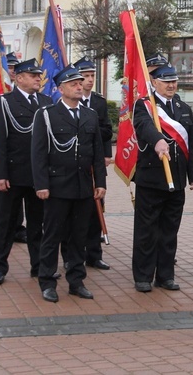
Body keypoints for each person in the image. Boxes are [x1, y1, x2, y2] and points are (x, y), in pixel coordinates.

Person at [31, 65, 106, 303]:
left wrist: (101, 183)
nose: (79, 86)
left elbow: (97, 154)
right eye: (73, 84)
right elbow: (39, 153)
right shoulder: (47, 114)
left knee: (78, 236)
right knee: (52, 235)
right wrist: (41, 184)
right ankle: (47, 281)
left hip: (83, 186)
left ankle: (76, 280)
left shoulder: (89, 115)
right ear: (60, 88)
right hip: (57, 186)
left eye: (80, 83)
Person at [132, 62, 193, 293]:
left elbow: (191, 142)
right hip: (151, 178)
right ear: (154, 83)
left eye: (174, 81)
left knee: (169, 231)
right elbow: (143, 126)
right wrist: (157, 140)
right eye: (166, 81)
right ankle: (143, 276)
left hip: (177, 179)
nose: (171, 85)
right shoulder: (144, 105)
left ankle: (165, 275)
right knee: (147, 230)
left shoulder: (182, 106)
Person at [0, 59, 53, 285]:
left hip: (39, 177)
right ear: (19, 78)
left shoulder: (46, 101)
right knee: (5, 224)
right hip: (13, 174)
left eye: (39, 75)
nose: (38, 78)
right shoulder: (5, 102)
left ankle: (38, 266)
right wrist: (0, 175)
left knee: (38, 224)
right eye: (33, 75)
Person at [70, 56, 112, 270]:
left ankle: (94, 254)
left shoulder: (98, 102)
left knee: (97, 207)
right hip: (73, 161)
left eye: (92, 75)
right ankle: (71, 253)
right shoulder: (67, 102)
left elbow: (106, 130)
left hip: (94, 160)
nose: (89, 80)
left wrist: (106, 153)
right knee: (73, 210)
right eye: (85, 76)